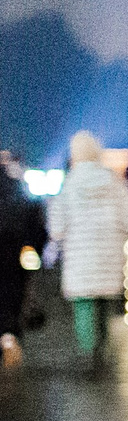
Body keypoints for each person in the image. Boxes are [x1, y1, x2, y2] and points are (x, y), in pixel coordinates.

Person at [51, 133, 128, 371]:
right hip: (109, 254)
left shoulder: (70, 184)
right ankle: (102, 349)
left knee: (85, 305)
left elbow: (57, 224)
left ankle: (89, 351)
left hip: (81, 255)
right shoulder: (114, 182)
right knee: (103, 304)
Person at [0, 152, 43, 368]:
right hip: (14, 256)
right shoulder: (19, 191)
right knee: (12, 298)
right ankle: (9, 336)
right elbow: (36, 225)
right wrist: (36, 250)